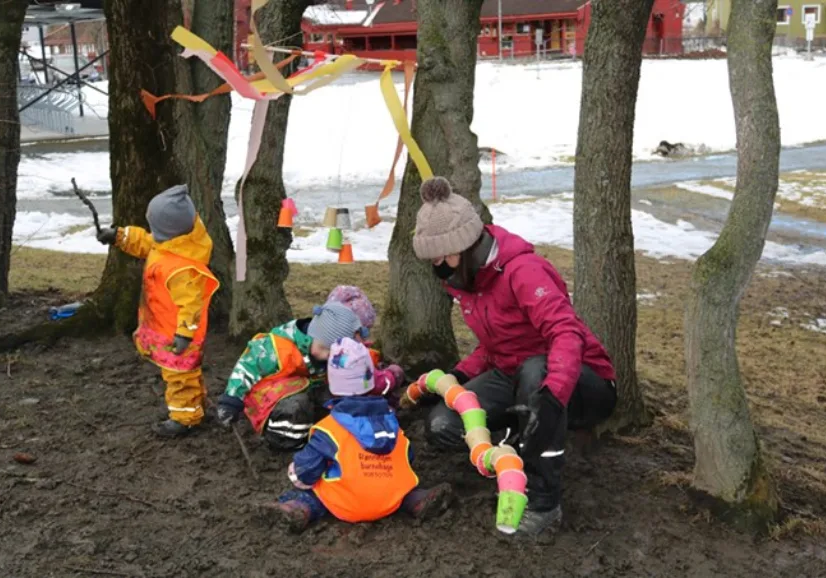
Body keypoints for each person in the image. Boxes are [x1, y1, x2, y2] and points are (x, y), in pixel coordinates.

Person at [411, 176, 618, 536]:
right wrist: (458, 378)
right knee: (444, 423)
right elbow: (495, 347)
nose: (438, 267)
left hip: (580, 380)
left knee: (537, 371)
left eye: (443, 257)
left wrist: (553, 395)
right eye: (433, 260)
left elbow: (565, 333)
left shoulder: (523, 271)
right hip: (513, 375)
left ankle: (543, 503)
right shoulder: (468, 281)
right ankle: (517, 446)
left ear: (468, 246)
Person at [262, 338, 453, 533]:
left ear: (332, 383)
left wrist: (296, 472)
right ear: (370, 380)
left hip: (348, 502)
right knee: (404, 491)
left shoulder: (329, 429)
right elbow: (407, 457)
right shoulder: (392, 422)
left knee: (310, 495)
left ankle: (297, 509)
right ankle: (416, 500)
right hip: (389, 498)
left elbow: (307, 470)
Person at [96, 184, 219, 437]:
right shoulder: (170, 244)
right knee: (185, 371)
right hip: (164, 325)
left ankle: (184, 418)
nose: (153, 233)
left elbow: (192, 305)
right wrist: (118, 236)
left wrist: (185, 334)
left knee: (179, 375)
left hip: (178, 333)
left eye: (156, 228)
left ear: (168, 231)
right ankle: (196, 406)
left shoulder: (182, 268)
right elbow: (145, 242)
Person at [216, 302, 362, 450]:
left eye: (332, 353)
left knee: (335, 399)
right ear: (312, 336)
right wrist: (231, 401)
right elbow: (246, 368)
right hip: (273, 399)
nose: (326, 356)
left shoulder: (324, 353)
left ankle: (328, 432)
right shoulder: (275, 348)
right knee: (295, 407)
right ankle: (286, 442)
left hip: (308, 390)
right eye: (324, 349)